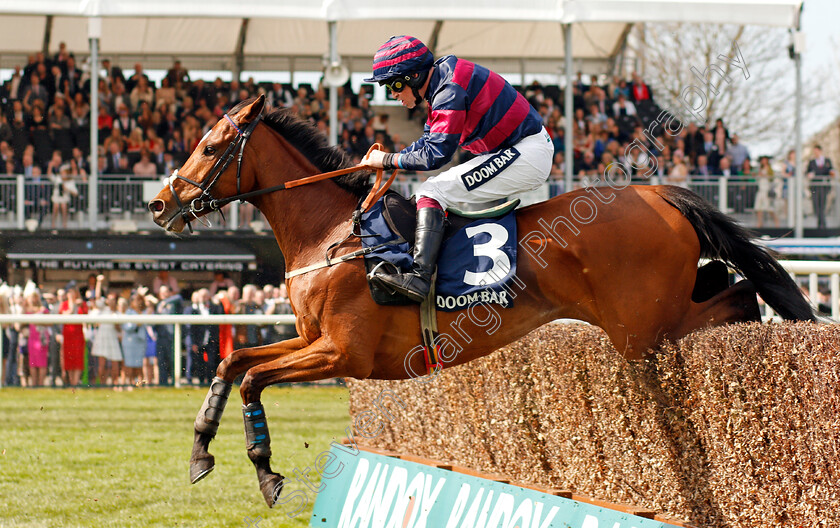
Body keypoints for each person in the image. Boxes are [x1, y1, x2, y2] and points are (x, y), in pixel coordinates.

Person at [361, 35, 552, 302]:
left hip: (526, 153)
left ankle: (419, 278)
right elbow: (427, 143)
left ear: (413, 77)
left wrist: (386, 160)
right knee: (433, 191)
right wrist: (391, 158)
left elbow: (434, 156)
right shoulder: (442, 82)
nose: (392, 94)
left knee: (434, 190)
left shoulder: (449, 90)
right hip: (516, 148)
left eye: (392, 86)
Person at [90, 276, 123, 386]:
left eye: (113, 299)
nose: (111, 301)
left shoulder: (118, 314)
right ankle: (101, 385)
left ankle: (115, 384)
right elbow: (98, 296)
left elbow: (118, 328)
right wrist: (99, 282)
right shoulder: (103, 309)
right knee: (101, 364)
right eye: (109, 299)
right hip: (102, 338)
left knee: (115, 363)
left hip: (112, 338)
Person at [59, 283, 87, 386]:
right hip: (68, 335)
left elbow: (86, 316)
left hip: (78, 336)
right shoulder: (64, 304)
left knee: (78, 359)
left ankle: (75, 382)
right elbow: (66, 313)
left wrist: (79, 305)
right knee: (69, 359)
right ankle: (71, 383)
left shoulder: (82, 304)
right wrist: (72, 303)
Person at [120, 294, 147, 387]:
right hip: (130, 342)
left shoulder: (144, 312)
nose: (138, 302)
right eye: (136, 300)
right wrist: (136, 324)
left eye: (140, 300)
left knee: (140, 364)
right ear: (132, 302)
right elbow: (126, 327)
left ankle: (140, 385)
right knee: (129, 364)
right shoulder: (128, 312)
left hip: (140, 342)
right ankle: (130, 384)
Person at [807, 145, 835, 229]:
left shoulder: (827, 161)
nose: (815, 153)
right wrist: (809, 175)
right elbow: (808, 172)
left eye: (817, 151)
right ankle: (821, 223)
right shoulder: (811, 162)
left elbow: (831, 170)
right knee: (816, 204)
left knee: (822, 204)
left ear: (820, 151)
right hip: (814, 187)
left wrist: (832, 173)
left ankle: (822, 224)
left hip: (824, 186)